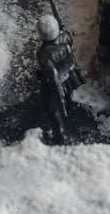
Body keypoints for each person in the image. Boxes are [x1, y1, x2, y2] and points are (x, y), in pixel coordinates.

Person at [35, 14, 85, 143]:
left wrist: (59, 98)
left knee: (52, 109)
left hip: (57, 82)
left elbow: (52, 77)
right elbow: (69, 39)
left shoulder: (42, 53)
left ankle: (59, 135)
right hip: (71, 76)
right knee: (71, 97)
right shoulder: (65, 37)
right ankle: (73, 112)